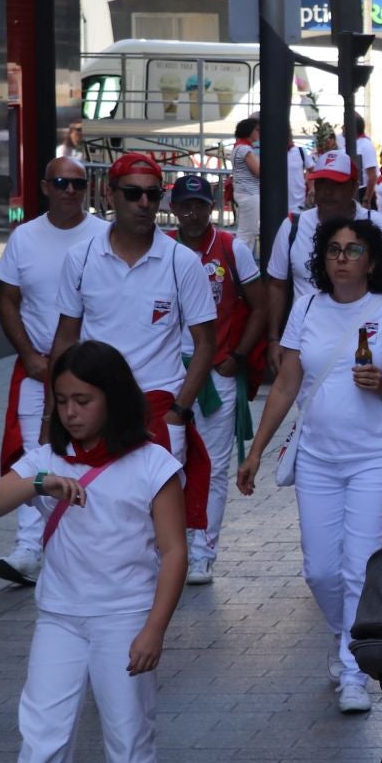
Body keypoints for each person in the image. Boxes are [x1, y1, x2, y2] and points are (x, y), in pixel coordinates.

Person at [0, 342, 188, 763]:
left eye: (83, 399)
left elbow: (174, 551)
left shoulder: (153, 463)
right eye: (62, 401)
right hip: (60, 617)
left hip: (124, 617)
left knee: (127, 737)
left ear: (114, 398)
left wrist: (154, 629)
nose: (71, 411)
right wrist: (39, 483)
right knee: (42, 735)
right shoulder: (47, 459)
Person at [240, 218, 382, 714]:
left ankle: (353, 671)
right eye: (333, 250)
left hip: (377, 455)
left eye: (353, 250)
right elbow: (285, 385)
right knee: (321, 570)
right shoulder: (306, 307)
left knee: (360, 568)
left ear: (372, 260)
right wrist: (257, 449)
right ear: (322, 261)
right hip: (319, 457)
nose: (342, 258)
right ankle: (343, 633)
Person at [51, 153, 217, 533]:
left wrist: (179, 411)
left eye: (153, 195)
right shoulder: (81, 258)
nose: (144, 204)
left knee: (160, 528)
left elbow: (206, 343)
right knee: (94, 516)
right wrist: (54, 413)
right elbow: (65, 338)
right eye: (133, 194)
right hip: (96, 412)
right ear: (110, 196)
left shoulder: (181, 261)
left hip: (160, 412)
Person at [0, 157, 110, 585]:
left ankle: (88, 542)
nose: (70, 191)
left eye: (78, 184)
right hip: (38, 370)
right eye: (61, 182)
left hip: (92, 371)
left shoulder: (103, 235)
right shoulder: (24, 237)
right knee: (34, 456)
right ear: (45, 186)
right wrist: (28, 355)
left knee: (95, 455)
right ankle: (29, 546)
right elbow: (6, 299)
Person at [167, 174, 266, 585]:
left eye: (200, 205)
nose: (193, 213)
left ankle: (203, 550)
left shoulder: (231, 248)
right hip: (170, 373)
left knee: (213, 467)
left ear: (213, 208)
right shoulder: (163, 248)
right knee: (167, 464)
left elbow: (260, 306)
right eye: (185, 205)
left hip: (218, 373)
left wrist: (238, 356)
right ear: (173, 208)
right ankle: (168, 547)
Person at [264, 150, 382, 371]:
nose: (327, 191)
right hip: (308, 345)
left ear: (353, 187)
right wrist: (274, 339)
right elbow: (276, 285)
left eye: (336, 184)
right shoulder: (293, 227)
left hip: (369, 343)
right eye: (321, 183)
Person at [228, 116, 262, 251]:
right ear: (250, 131)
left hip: (244, 193)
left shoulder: (238, 148)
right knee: (247, 234)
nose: (259, 132)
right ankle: (241, 263)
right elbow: (258, 171)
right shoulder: (245, 149)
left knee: (247, 232)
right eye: (257, 129)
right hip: (249, 193)